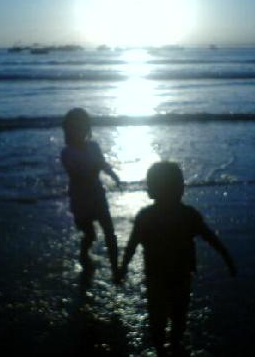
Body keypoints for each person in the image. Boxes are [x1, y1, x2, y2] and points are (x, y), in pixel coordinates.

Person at [116, 162, 236, 356]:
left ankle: (162, 348)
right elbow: (212, 239)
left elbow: (131, 247)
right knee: (178, 315)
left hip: (157, 277)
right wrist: (228, 259)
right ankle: (174, 345)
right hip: (180, 276)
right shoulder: (188, 215)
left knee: (159, 316)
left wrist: (122, 269)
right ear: (181, 189)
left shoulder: (146, 216)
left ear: (150, 191)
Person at [61, 108, 121, 274]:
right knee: (90, 234)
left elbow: (102, 163)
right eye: (75, 127)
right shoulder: (67, 153)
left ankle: (116, 266)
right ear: (68, 130)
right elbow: (77, 174)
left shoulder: (94, 146)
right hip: (80, 199)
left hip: (97, 194)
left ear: (87, 128)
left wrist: (113, 175)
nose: (79, 131)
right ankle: (84, 254)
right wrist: (95, 169)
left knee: (109, 230)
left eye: (82, 127)